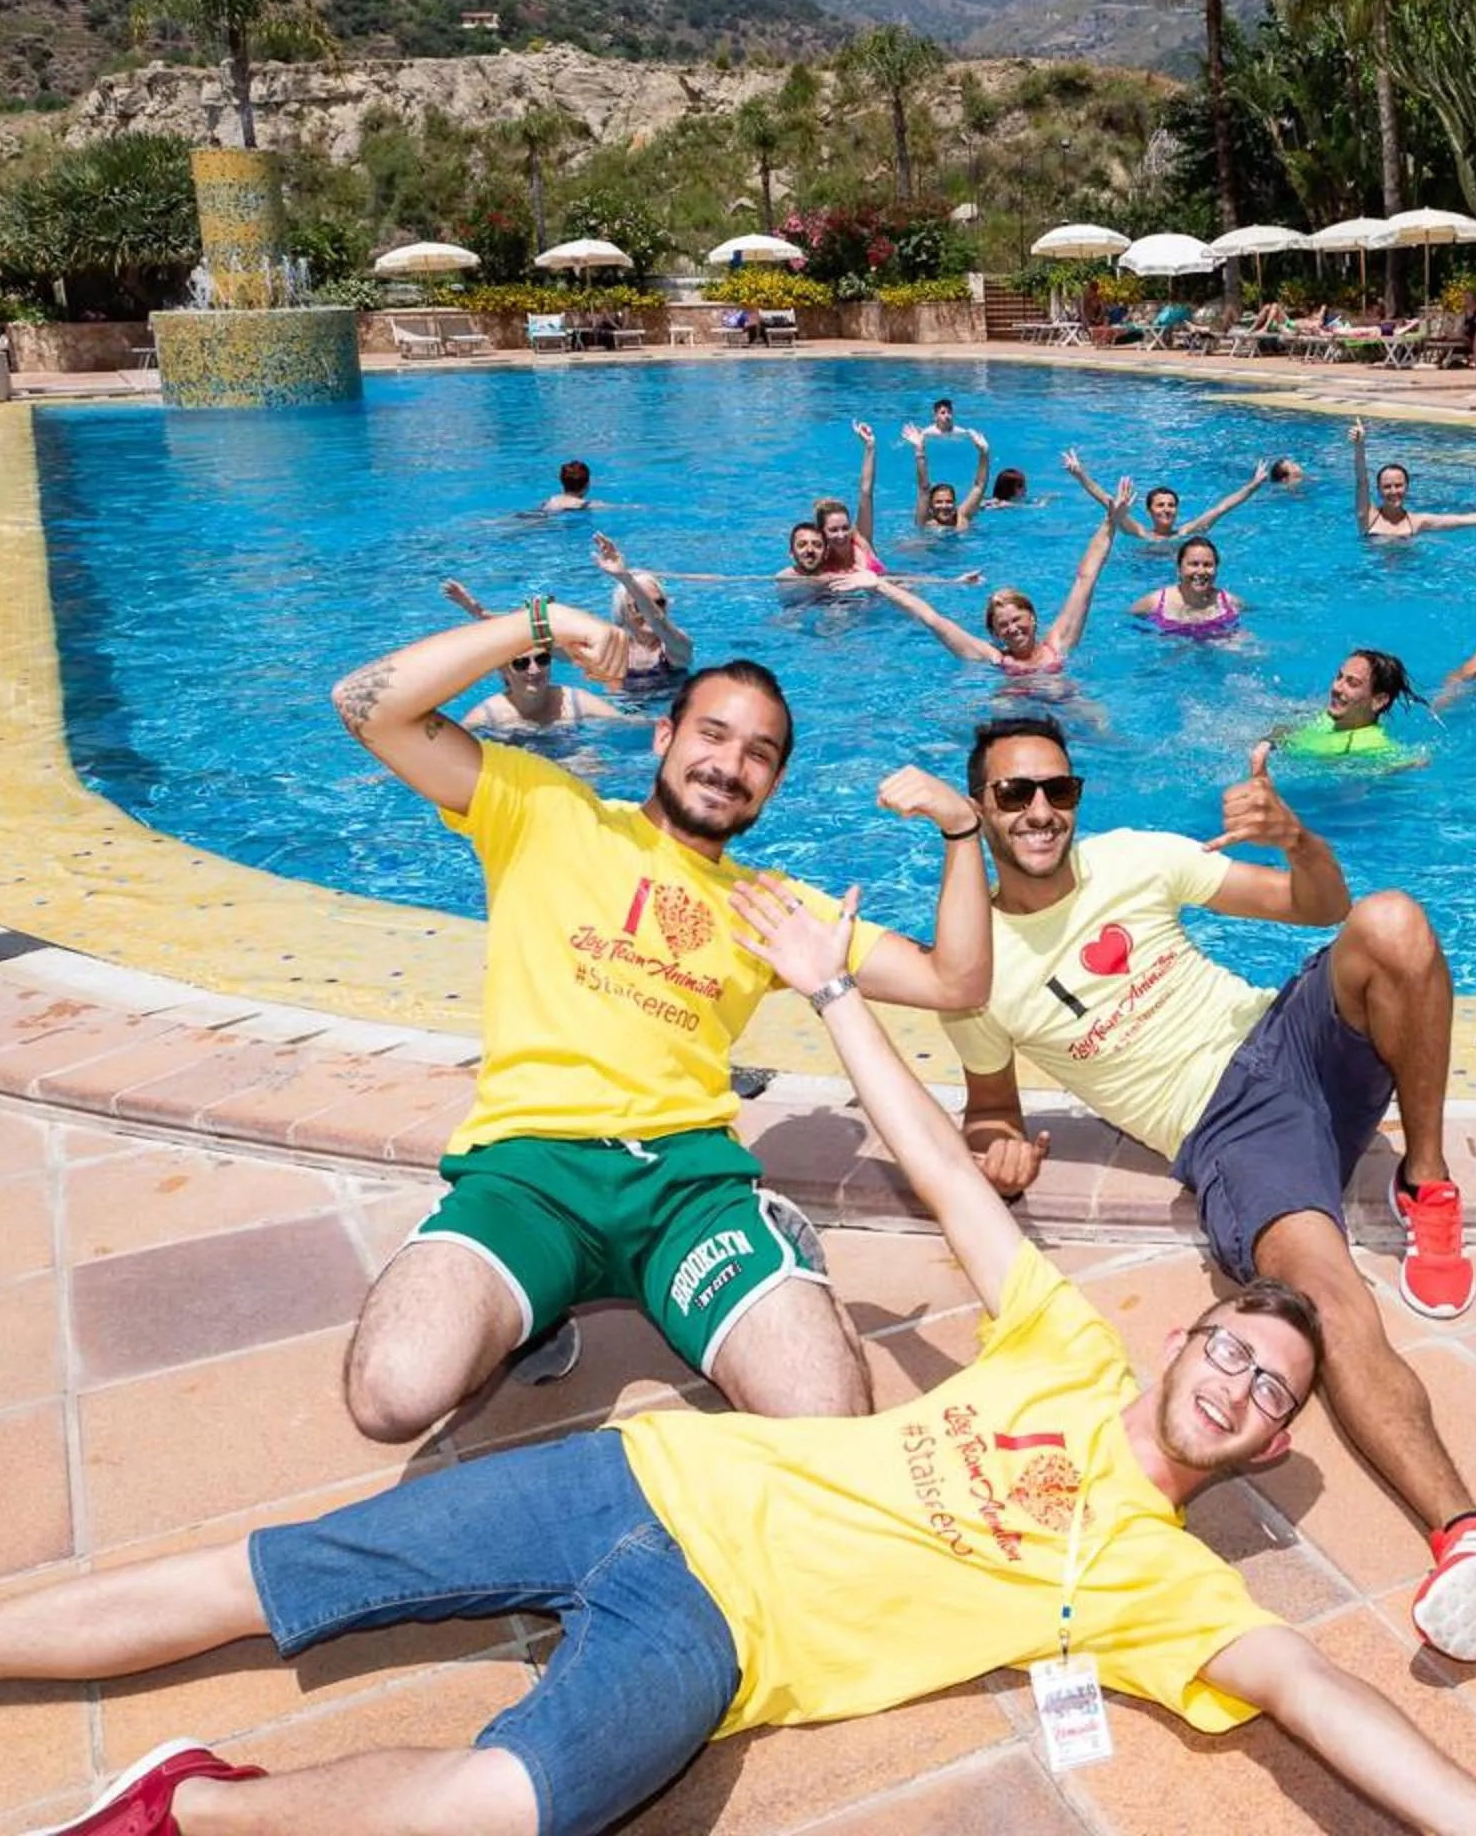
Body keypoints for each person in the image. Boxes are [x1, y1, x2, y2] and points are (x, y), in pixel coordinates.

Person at [0, 893, 1476, 1836]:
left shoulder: (1163, 1592)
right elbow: (937, 1172)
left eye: (1273, 1399)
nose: (1243, 1385)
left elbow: (1314, 1691)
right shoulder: (1062, 1344)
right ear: (1187, 1335)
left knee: (496, 1814)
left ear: (1261, 1445)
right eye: (1238, 1348)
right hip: (642, 1476)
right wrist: (836, 995)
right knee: (257, 1575)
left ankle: (188, 1807)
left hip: (709, 1639)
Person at [943, 718, 1476, 1659]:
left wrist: (1296, 838)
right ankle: (1468, 1533)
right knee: (1328, 1298)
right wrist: (999, 1150)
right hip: (1230, 1127)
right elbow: (991, 1111)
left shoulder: (1137, 859)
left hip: (1289, 1037)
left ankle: (1425, 1177)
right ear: (980, 809)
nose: (1041, 810)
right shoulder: (975, 969)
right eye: (1014, 793)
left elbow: (1322, 907)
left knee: (1392, 920)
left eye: (1058, 789)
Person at [325, 606, 990, 1444]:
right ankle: (528, 1300)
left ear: (775, 784)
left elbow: (956, 981)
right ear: (664, 737)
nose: (730, 766)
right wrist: (538, 621)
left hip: (687, 1191)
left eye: (759, 754)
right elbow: (366, 704)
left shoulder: (772, 907)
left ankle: (759, 1249)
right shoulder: (543, 810)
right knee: (392, 1395)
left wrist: (962, 830)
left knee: (824, 1419)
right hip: (530, 1174)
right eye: (712, 734)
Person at [869, 497, 1120, 678]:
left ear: (1032, 618)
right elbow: (932, 619)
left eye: (1016, 619)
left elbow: (1085, 578)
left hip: (1064, 707)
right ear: (996, 633)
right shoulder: (995, 658)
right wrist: (879, 584)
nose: (1012, 628)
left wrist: (1111, 522)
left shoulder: (1057, 643)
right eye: (1003, 625)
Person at [440, 580, 631, 732]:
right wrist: (478, 611)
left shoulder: (572, 702)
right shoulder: (488, 717)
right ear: (503, 670)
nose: (534, 669)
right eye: (521, 663)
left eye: (542, 660)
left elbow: (630, 723)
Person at [1068, 449, 1284, 546]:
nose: (1166, 509)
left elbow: (1222, 508)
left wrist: (1253, 485)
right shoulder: (1140, 533)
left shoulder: (1186, 533)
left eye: (1171, 505)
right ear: (1149, 510)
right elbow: (1106, 501)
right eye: (1160, 505)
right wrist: (1080, 475)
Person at [1349, 420, 1476, 540]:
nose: (1393, 491)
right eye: (1387, 487)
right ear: (1379, 490)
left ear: (1407, 487)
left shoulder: (1417, 522)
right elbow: (1361, 480)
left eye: (1398, 485)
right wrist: (1359, 446)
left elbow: (1462, 520)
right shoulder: (1368, 517)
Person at [590, 532, 693, 695]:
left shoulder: (678, 645)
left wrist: (626, 579)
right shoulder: (615, 651)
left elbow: (657, 620)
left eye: (659, 603)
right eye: (639, 606)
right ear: (623, 611)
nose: (650, 611)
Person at [1279, 648, 1424, 761]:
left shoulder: (1372, 748)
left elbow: (1411, 762)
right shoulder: (1323, 718)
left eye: (1352, 683)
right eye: (1339, 677)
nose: (1336, 687)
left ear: (1379, 700)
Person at [1130, 533, 1243, 639]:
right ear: (1179, 569)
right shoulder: (1155, 602)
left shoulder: (1229, 602)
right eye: (1194, 564)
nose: (1201, 571)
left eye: (1207, 565)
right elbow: (1128, 624)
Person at [811, 423, 888, 578]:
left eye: (845, 528)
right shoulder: (819, 560)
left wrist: (870, 446)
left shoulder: (861, 541)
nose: (841, 535)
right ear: (821, 532)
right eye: (833, 530)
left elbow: (866, 492)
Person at [905, 423, 994, 530]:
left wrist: (984, 452)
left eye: (949, 502)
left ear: (955, 504)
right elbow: (924, 488)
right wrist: (919, 450)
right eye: (938, 502)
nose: (944, 506)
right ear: (931, 505)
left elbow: (979, 486)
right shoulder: (925, 521)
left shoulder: (962, 517)